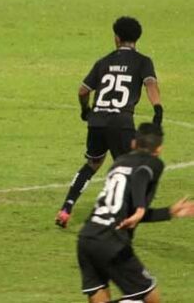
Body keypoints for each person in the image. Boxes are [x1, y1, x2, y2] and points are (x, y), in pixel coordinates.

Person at [56, 16, 163, 228]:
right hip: (121, 122)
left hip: (97, 120)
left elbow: (83, 90)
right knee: (129, 169)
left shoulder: (103, 61)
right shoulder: (143, 61)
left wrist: (85, 109)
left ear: (117, 38)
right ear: (136, 39)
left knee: (92, 164)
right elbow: (150, 84)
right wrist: (158, 108)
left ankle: (66, 208)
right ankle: (122, 216)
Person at [76, 123, 194, 302]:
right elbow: (141, 175)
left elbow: (127, 215)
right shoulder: (153, 163)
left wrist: (169, 212)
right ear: (159, 148)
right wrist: (140, 207)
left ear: (133, 144)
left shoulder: (118, 164)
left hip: (87, 237)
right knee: (151, 297)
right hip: (112, 241)